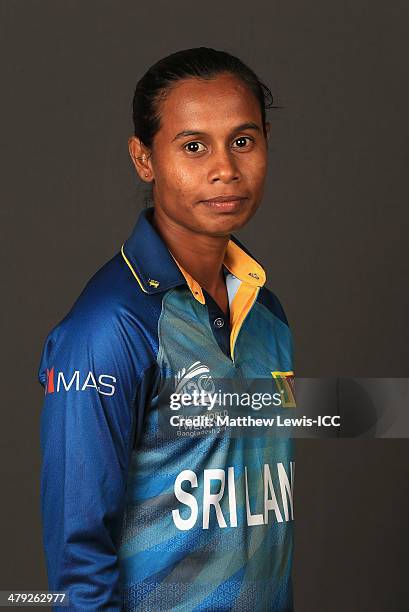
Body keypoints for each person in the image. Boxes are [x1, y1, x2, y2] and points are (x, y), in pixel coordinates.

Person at [38, 47, 295, 611]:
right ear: (144, 158)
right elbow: (80, 560)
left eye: (243, 141)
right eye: (194, 146)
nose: (225, 167)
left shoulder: (267, 312)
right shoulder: (108, 328)